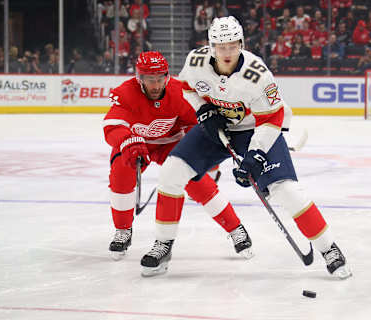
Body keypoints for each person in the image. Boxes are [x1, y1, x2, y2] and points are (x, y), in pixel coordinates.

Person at [140, 16, 352, 279]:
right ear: (211, 46)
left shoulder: (258, 74)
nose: (227, 52)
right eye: (221, 46)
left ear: (241, 43)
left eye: (232, 45)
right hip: (217, 128)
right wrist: (204, 109)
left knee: (286, 190)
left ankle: (328, 248)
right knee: (171, 173)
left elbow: (272, 118)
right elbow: (185, 88)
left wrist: (255, 154)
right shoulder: (196, 61)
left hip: (256, 129)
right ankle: (164, 244)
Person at [103, 51, 253, 263]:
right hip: (137, 145)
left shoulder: (179, 91)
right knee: (121, 174)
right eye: (149, 79)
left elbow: (197, 124)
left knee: (197, 182)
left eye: (159, 79)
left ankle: (235, 228)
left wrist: (204, 149)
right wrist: (127, 141)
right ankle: (123, 230)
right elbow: (112, 126)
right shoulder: (126, 93)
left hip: (172, 143)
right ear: (139, 78)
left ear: (166, 76)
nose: (155, 85)